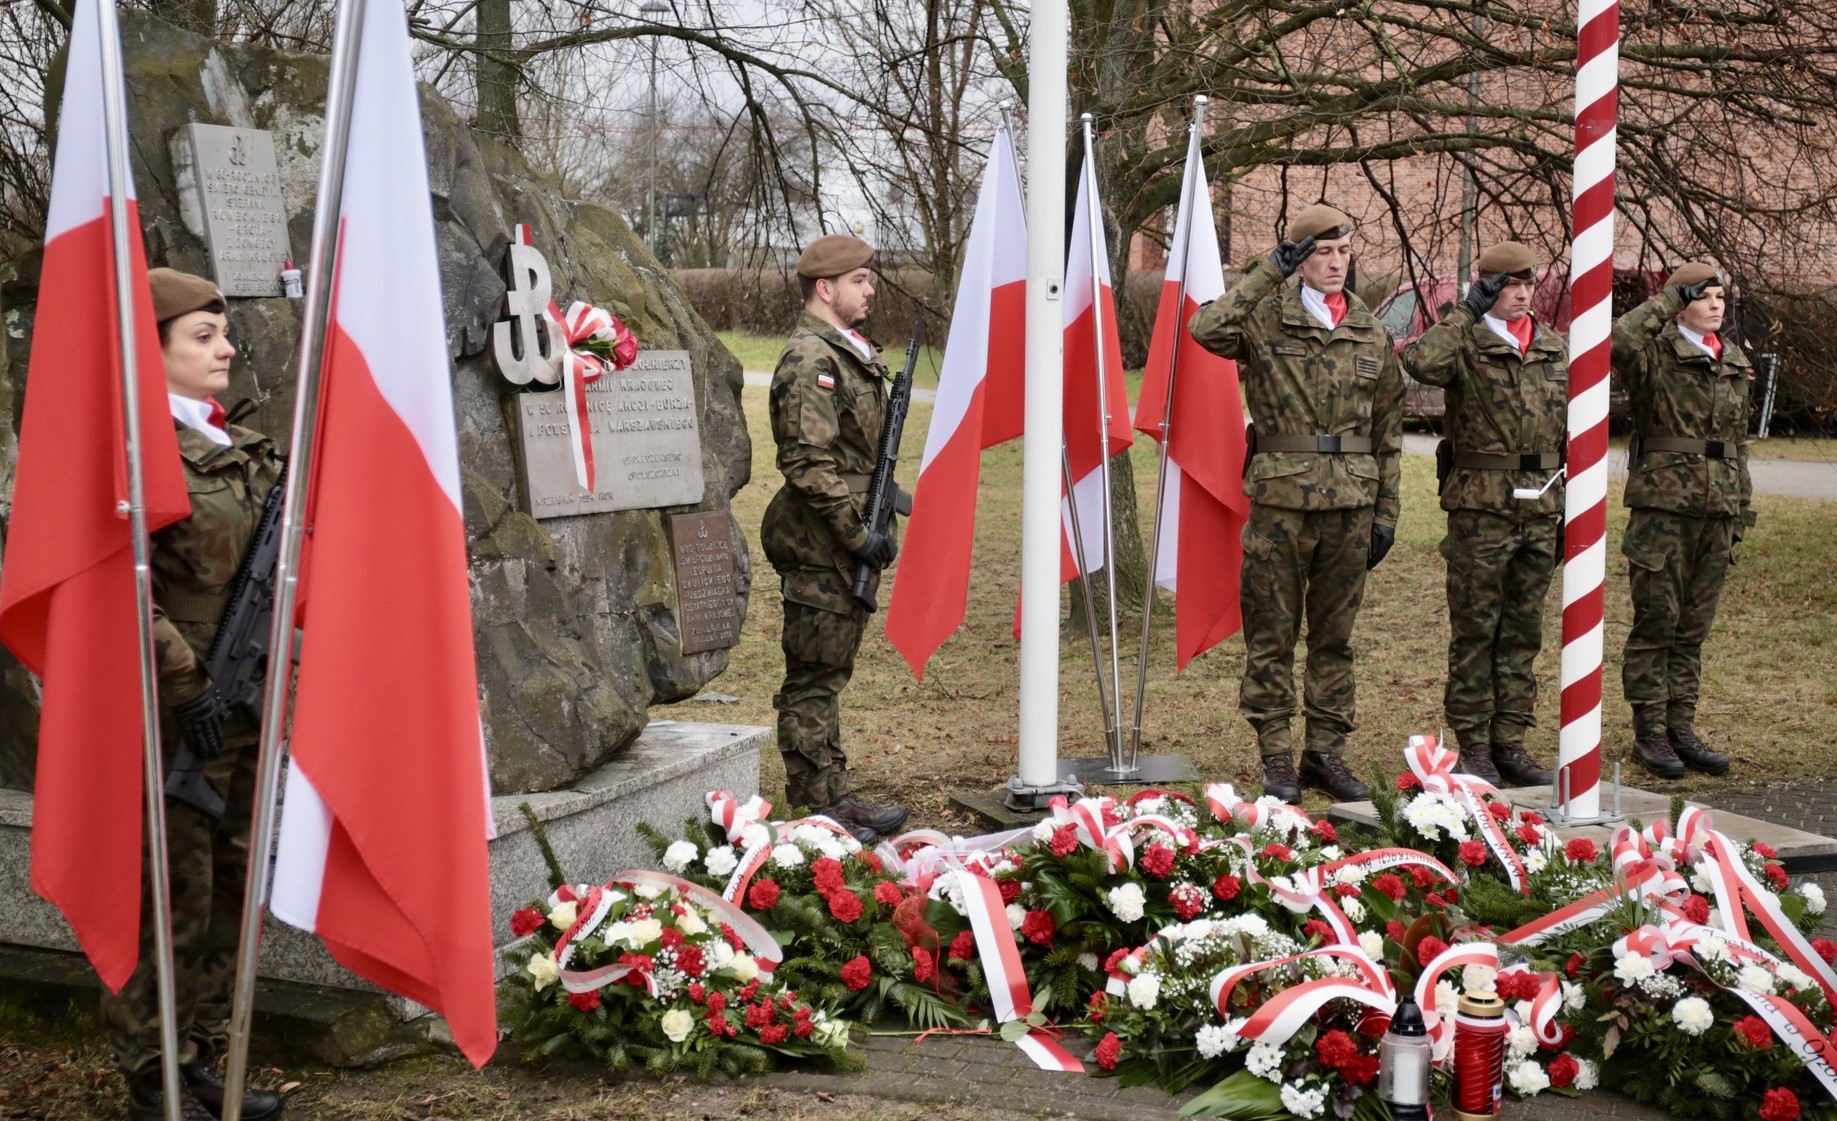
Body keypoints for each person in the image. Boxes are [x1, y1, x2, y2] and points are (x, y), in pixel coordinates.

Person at [102, 269, 286, 1121]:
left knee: (230, 877)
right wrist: (184, 680)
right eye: (203, 336)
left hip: (243, 700)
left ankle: (205, 1057)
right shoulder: (135, 449)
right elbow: (114, 580)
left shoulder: (239, 442)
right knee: (172, 889)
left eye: (224, 332)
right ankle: (154, 1071)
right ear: (154, 348)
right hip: (170, 705)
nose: (226, 348)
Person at [1189, 203, 1404, 803]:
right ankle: (1277, 756)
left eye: (1343, 251)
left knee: (1335, 636)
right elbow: (1205, 330)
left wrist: (1386, 514)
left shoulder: (1369, 328)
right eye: (1321, 252)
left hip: (1352, 506)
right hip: (1281, 505)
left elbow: (1388, 429)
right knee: (1273, 634)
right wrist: (1266, 270)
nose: (1335, 263)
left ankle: (1325, 753)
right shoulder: (1264, 319)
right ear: (1298, 258)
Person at [761, 235, 909, 843]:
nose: (870, 290)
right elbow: (807, 462)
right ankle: (816, 807)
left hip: (842, 541)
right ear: (826, 288)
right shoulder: (809, 360)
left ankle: (833, 795)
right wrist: (858, 536)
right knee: (813, 679)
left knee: (830, 674)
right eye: (860, 280)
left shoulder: (846, 352)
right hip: (823, 544)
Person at [1401, 241, 1565, 788]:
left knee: (1523, 630)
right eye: (1508, 286)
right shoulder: (1465, 342)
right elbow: (1420, 363)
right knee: (1475, 627)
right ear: (1488, 287)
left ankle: (1510, 739)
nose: (1520, 295)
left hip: (1540, 506)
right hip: (1481, 509)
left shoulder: (1552, 349)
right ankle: (1473, 740)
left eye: (1527, 285)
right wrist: (1466, 311)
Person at [1611, 262, 1751, 780]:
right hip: (1664, 510)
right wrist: (1668, 299)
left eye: (1721, 295)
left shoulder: (1733, 360)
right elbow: (1618, 340)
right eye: (1703, 295)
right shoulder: (1655, 353)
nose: (1716, 304)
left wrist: (1741, 508)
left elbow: (1737, 446)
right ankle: (1649, 731)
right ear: (1680, 301)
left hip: (1717, 510)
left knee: (1692, 629)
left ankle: (1681, 726)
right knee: (1657, 623)